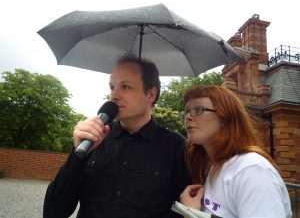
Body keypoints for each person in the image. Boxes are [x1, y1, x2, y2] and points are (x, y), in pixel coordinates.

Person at [43, 54, 191, 218]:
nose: (114, 95)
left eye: (125, 86)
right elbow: (53, 212)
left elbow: (183, 210)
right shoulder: (95, 139)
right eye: (112, 87)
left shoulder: (177, 147)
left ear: (150, 95)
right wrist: (77, 155)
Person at [179, 85, 292, 218]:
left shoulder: (251, 170)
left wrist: (190, 214)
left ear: (225, 118)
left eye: (198, 109)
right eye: (185, 112)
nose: (187, 117)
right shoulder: (215, 168)